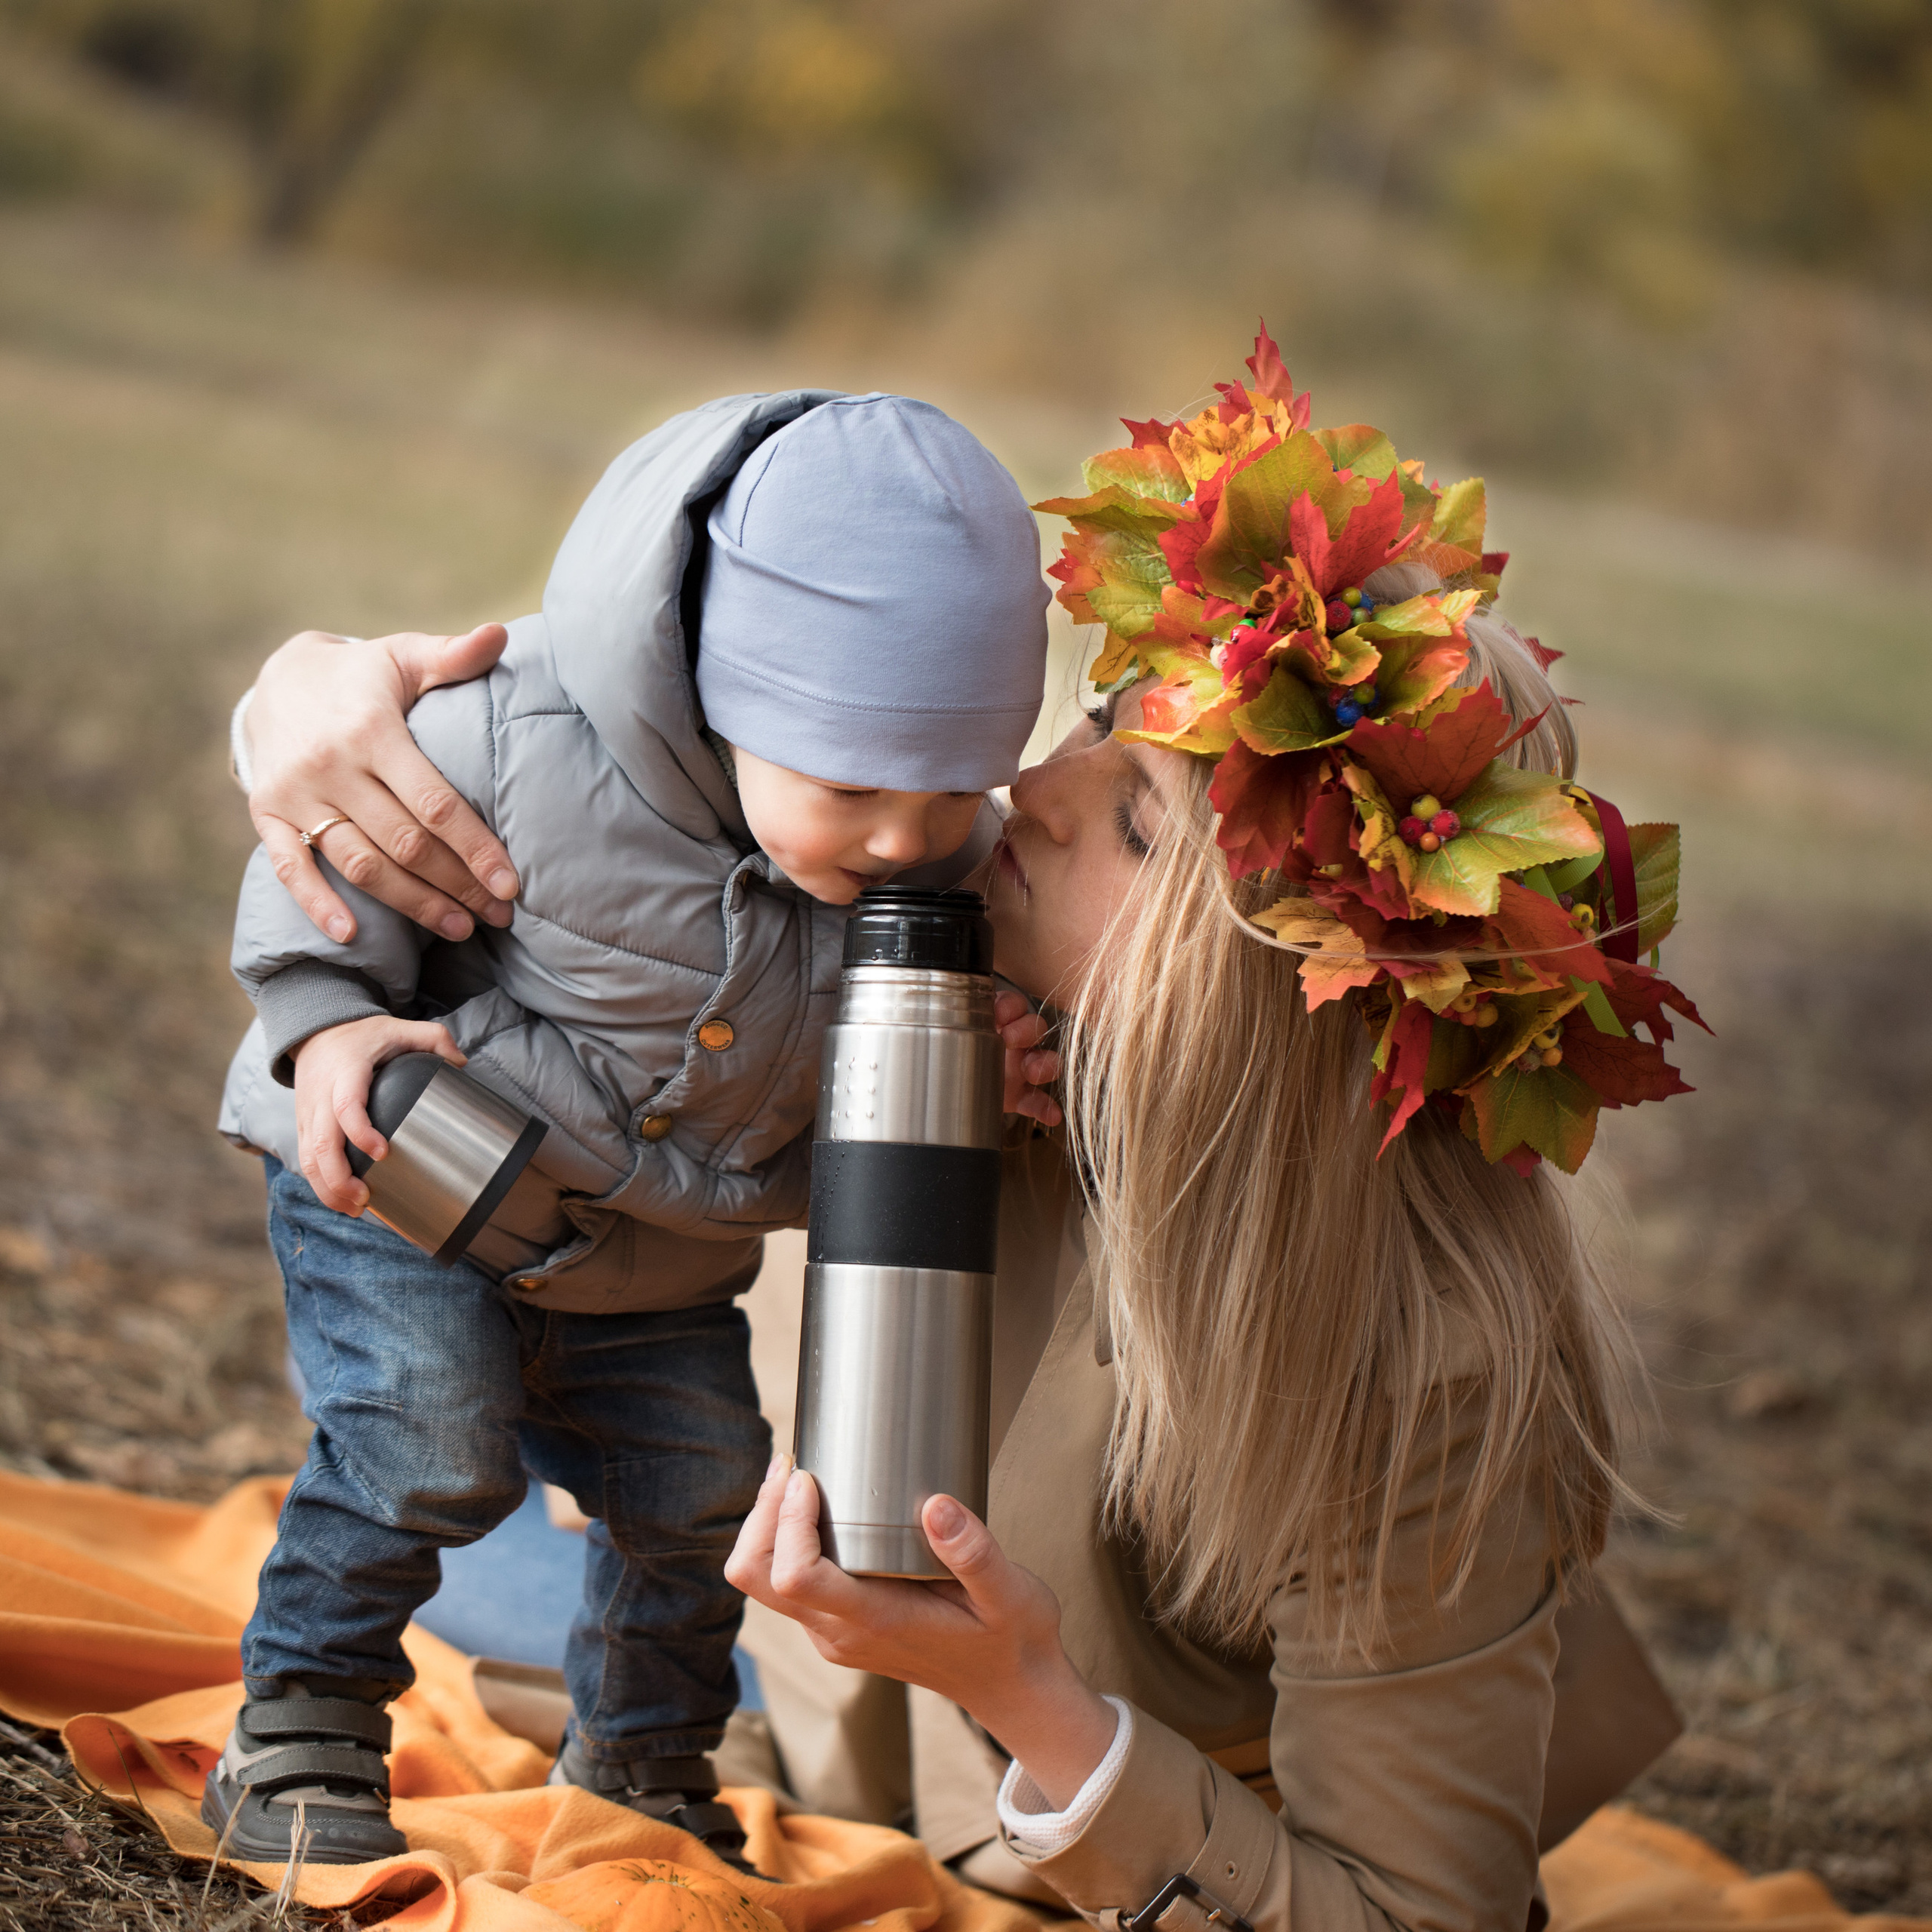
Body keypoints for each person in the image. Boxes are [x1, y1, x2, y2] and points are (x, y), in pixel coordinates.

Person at [232, 337, 1697, 1929]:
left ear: (1278, 1006)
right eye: (1094, 724)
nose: (1029, 790)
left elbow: (1416, 1911)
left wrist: (1030, 1699)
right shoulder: (919, 956)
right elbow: (648, 731)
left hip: (975, 1764)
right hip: (737, 1633)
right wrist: (328, 692)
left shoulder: (1414, 1367)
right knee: (421, 1491)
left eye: (1135, 819)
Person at [204, 390, 1051, 1868]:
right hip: (413, 1186)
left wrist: (977, 1089)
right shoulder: (518, 736)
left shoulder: (923, 888)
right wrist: (327, 1017)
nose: (903, 840)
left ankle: (641, 1760)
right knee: (427, 1444)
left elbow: (865, 1118)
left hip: (649, 1269)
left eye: (947, 790)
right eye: (853, 784)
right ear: (723, 689)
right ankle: (303, 1716)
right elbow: (327, 854)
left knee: (709, 1489)